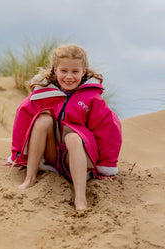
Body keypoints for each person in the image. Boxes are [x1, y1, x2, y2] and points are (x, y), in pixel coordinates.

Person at [7, 44, 122, 210]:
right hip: (52, 154)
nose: (69, 77)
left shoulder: (92, 99)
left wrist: (106, 167)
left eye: (75, 71)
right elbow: (23, 118)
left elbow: (109, 131)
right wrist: (17, 155)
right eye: (64, 71)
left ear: (83, 72)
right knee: (43, 120)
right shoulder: (43, 94)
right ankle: (30, 178)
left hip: (77, 157)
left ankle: (80, 199)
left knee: (73, 136)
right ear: (55, 70)